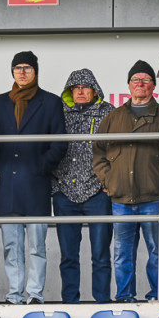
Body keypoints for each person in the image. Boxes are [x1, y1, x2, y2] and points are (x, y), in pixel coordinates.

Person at [93, 60, 159, 302]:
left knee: (157, 252)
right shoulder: (113, 118)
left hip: (154, 198)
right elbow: (98, 152)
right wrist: (108, 178)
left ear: (153, 86)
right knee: (121, 253)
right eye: (136, 80)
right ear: (129, 86)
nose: (141, 84)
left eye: (146, 80)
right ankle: (125, 297)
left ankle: (156, 297)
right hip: (121, 199)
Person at [0, 51, 66, 305]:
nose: (22, 72)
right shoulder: (0, 102)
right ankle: (14, 294)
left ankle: (34, 294)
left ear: (35, 71)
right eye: (17, 68)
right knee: (11, 247)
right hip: (8, 184)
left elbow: (59, 143)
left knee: (36, 247)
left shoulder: (50, 102)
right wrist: (1, 167)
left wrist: (41, 167)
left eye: (27, 68)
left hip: (36, 184)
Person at [51, 69, 116, 303]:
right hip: (64, 191)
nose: (79, 91)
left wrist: (109, 183)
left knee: (100, 254)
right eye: (75, 87)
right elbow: (47, 147)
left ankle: (102, 302)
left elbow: (118, 151)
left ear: (94, 90)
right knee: (68, 255)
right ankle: (70, 303)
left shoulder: (108, 112)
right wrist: (54, 186)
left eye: (84, 87)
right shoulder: (58, 113)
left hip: (98, 192)